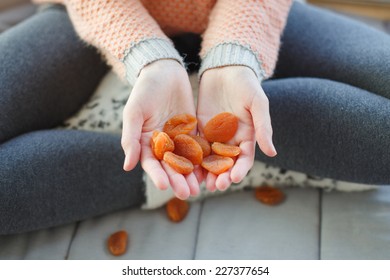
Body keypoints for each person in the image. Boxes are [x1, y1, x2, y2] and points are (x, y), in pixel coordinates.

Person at [0, 0, 389, 235]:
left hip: (249, 13)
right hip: (96, 17)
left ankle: (243, 132)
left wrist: (236, 57)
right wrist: (148, 59)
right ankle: (178, 159)